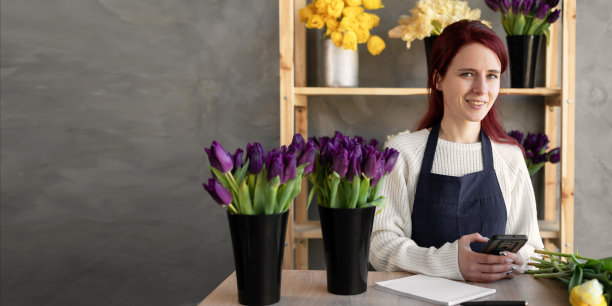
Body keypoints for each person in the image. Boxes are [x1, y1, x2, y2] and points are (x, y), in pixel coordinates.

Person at [369, 20, 544, 282]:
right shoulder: (403, 153)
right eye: (467, 74)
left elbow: (534, 250)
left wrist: (520, 261)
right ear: (438, 79)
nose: (481, 89)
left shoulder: (510, 157)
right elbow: (379, 246)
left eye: (492, 76)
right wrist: (450, 262)